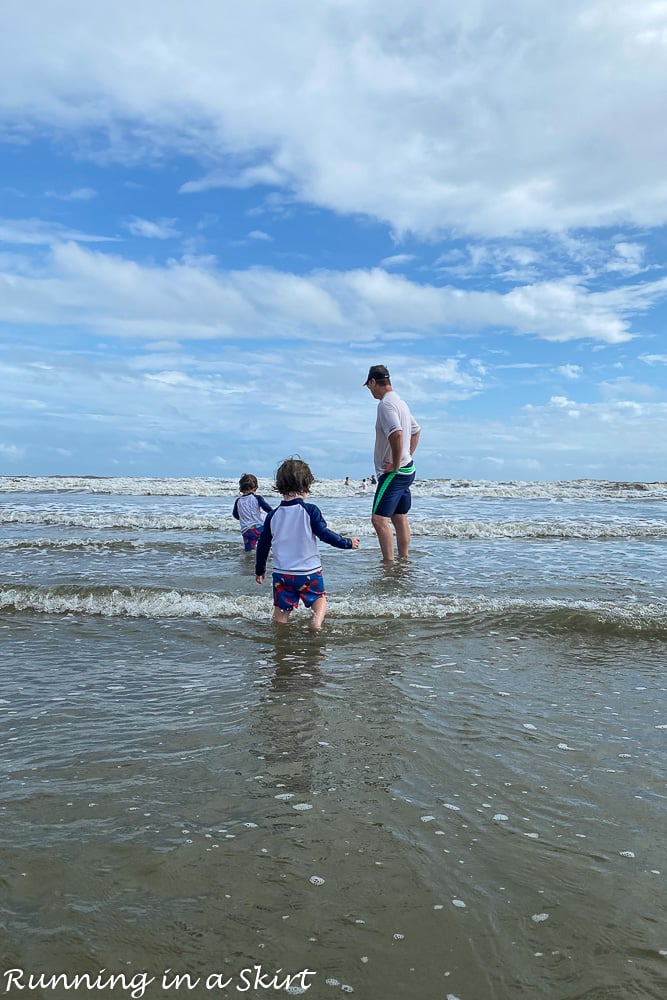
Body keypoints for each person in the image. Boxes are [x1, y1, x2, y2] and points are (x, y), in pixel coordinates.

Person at [255, 458, 360, 630]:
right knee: (319, 600)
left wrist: (260, 569)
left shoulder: (273, 515)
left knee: (281, 613)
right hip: (309, 572)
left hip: (282, 574)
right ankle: (316, 623)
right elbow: (325, 535)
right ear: (306, 486)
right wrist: (348, 543)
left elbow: (263, 544)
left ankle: (280, 641)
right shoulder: (310, 510)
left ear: (280, 486)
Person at [364, 364, 421, 561]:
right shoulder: (400, 402)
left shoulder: (386, 404)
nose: (370, 391)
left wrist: (396, 463)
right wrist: (406, 455)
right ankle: (403, 561)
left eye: (369, 386)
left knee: (378, 519)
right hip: (408, 469)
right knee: (399, 517)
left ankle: (388, 564)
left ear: (373, 381)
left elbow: (396, 434)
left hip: (395, 473)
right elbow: (416, 431)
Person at [232, 473, 273, 551]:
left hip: (246, 531)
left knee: (249, 550)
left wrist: (244, 516)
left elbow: (235, 515)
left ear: (241, 488)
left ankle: (249, 561)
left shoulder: (238, 501)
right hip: (259, 528)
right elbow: (267, 509)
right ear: (255, 487)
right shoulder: (257, 498)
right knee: (265, 547)